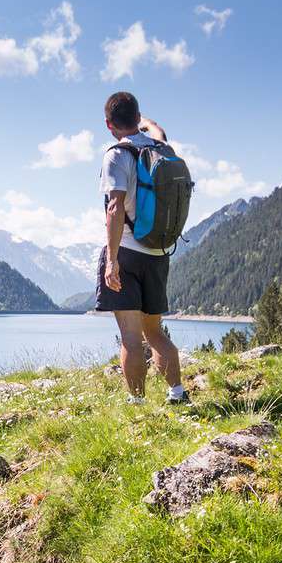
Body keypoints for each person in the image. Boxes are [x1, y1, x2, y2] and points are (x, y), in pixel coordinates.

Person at [94, 91, 189, 405]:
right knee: (155, 332)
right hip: (159, 252)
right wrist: (145, 121)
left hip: (128, 252)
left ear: (109, 125)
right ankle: (177, 393)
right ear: (138, 119)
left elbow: (115, 208)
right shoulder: (162, 147)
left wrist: (111, 260)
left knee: (131, 338)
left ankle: (137, 405)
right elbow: (157, 129)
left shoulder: (117, 155)